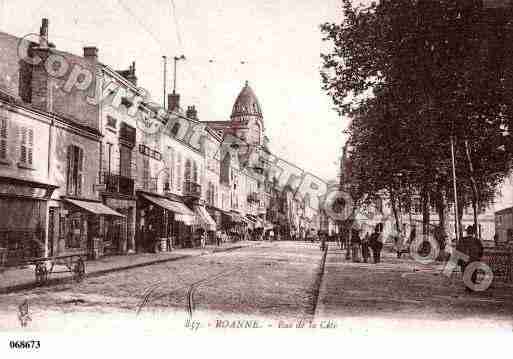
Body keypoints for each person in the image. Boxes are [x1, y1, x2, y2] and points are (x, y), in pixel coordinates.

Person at [456, 225, 484, 292]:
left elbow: (458, 250)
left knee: (465, 272)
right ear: (473, 233)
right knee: (473, 272)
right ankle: (471, 286)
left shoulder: (462, 240)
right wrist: (479, 257)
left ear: (467, 232)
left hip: (464, 260)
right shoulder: (477, 240)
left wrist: (459, 261)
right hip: (474, 259)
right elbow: (481, 250)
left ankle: (468, 286)